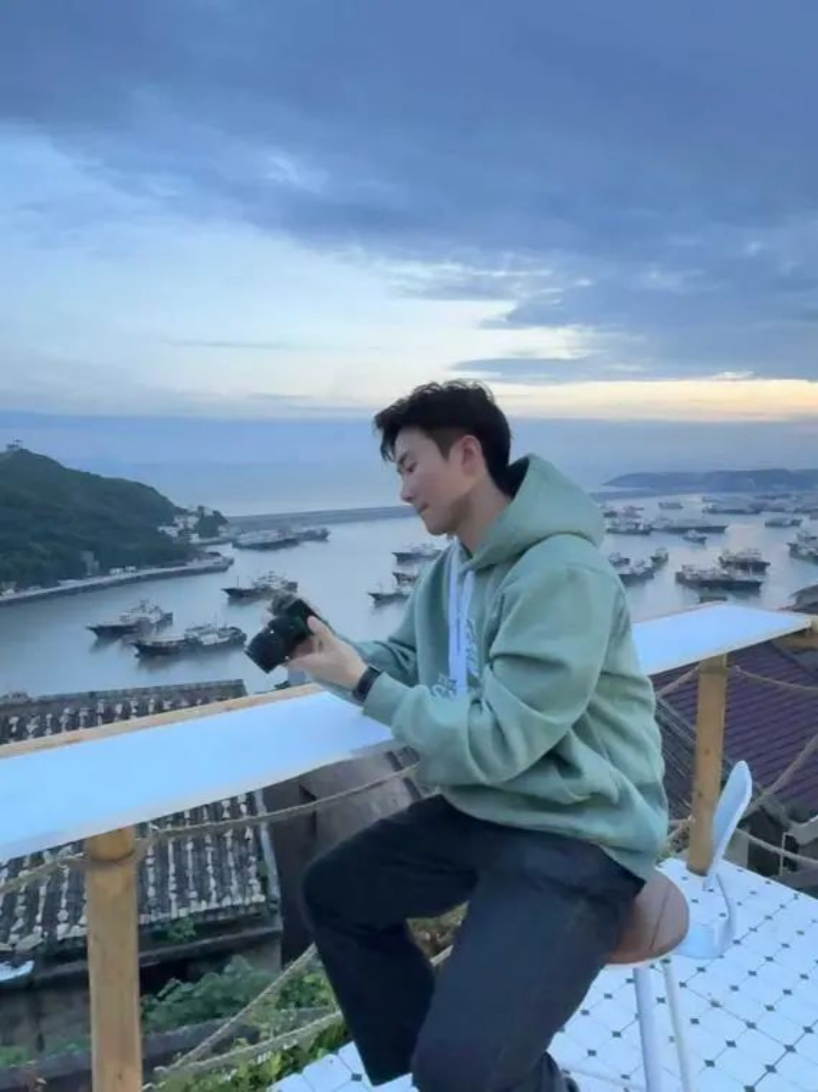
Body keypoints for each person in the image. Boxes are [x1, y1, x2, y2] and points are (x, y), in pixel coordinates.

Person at [289, 381, 668, 1092]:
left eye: (410, 466)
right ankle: (453, 1073)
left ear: (467, 455)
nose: (403, 491)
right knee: (334, 893)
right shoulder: (452, 569)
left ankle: (474, 1074)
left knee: (461, 1070)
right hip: (489, 808)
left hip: (580, 831)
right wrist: (330, 657)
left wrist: (365, 684)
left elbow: (502, 739)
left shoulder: (563, 572)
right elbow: (405, 661)